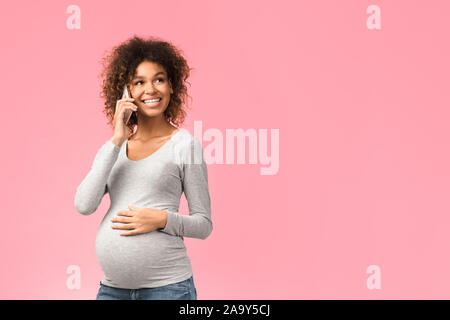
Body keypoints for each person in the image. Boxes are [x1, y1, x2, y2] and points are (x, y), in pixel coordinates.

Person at [74, 35, 212, 300]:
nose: (151, 89)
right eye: (139, 82)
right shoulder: (114, 148)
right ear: (125, 92)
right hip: (112, 290)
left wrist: (161, 220)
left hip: (168, 289)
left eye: (159, 79)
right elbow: (84, 204)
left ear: (172, 86)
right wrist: (116, 138)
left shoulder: (186, 145)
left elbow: (203, 225)